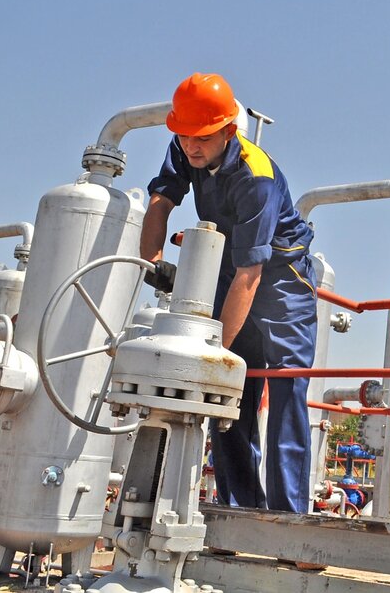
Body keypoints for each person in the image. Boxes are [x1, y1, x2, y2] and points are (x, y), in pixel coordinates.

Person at [140, 72, 317, 513]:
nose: (191, 146)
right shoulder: (186, 145)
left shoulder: (256, 177)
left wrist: (215, 351)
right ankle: (238, 507)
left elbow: (250, 275)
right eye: (184, 136)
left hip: (281, 280)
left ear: (228, 130)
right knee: (229, 393)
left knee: (285, 389)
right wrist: (153, 261)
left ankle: (288, 516)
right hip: (230, 270)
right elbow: (161, 202)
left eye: (202, 137)